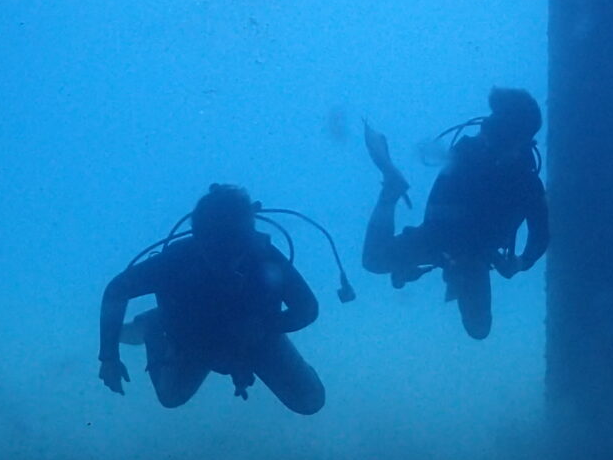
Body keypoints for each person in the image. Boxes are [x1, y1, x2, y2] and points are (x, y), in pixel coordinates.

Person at [98, 184, 326, 412]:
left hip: (257, 337)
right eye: (216, 250)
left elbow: (307, 308)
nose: (226, 261)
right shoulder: (175, 261)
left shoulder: (265, 257)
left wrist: (264, 326)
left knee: (310, 401)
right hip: (195, 337)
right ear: (198, 239)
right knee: (171, 396)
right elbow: (116, 291)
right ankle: (154, 324)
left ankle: (156, 322)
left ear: (248, 239)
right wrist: (108, 357)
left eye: (235, 248)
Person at [362, 87, 549, 340]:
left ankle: (391, 191)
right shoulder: (473, 160)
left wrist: (520, 262)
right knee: (478, 327)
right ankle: (391, 191)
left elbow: (540, 235)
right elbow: (438, 213)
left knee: (479, 328)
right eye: (491, 134)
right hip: (458, 249)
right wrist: (515, 262)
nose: (489, 141)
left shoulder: (514, 177)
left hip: (467, 252)